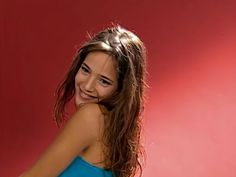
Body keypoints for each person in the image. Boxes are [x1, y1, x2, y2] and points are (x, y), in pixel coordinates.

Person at [20, 25, 147, 177]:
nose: (87, 86)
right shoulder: (117, 131)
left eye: (104, 81)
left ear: (121, 89)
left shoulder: (92, 117)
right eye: (85, 70)